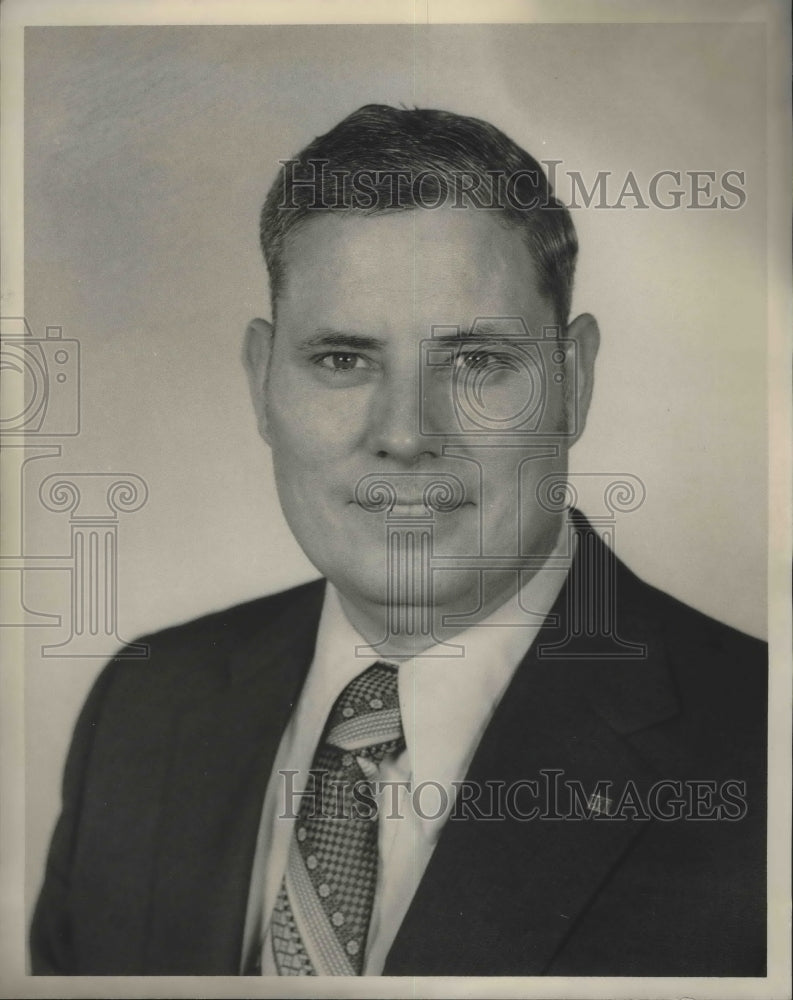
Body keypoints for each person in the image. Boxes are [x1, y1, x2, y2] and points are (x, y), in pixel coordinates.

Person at [30, 104, 767, 977]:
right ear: (262, 382)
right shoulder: (147, 707)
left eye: (476, 361)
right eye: (343, 359)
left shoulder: (762, 750)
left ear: (571, 381)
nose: (407, 435)